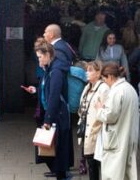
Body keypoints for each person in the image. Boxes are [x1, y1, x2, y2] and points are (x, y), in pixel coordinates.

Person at [25, 41, 74, 180]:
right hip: (53, 114)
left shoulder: (56, 71)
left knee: (56, 148)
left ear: (48, 55)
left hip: (57, 115)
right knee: (52, 148)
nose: (39, 60)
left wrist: (48, 119)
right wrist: (36, 90)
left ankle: (62, 175)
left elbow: (54, 96)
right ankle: (60, 174)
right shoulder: (50, 69)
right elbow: (47, 89)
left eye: (40, 57)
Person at [96, 62, 139, 180]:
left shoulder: (116, 91)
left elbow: (110, 116)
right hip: (128, 137)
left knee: (113, 173)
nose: (104, 83)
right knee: (127, 172)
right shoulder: (130, 88)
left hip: (116, 139)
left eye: (104, 79)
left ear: (109, 76)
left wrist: (100, 109)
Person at [78, 61, 109, 180]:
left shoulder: (103, 88)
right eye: (87, 70)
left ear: (98, 73)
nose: (87, 72)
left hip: (97, 132)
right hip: (87, 130)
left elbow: (106, 111)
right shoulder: (87, 86)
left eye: (90, 70)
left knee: (96, 163)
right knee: (91, 163)